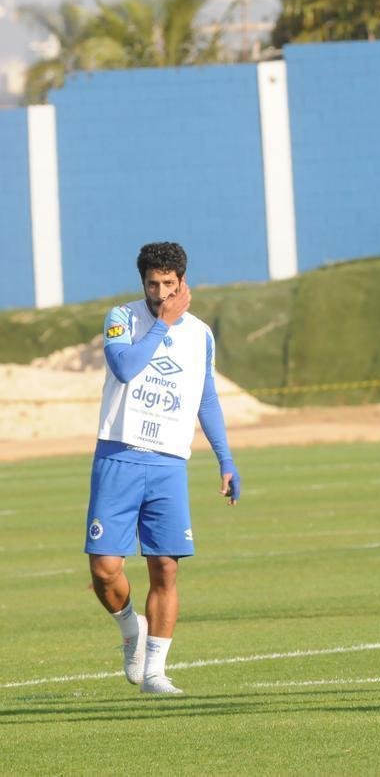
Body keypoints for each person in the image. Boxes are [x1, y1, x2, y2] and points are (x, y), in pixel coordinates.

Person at [85, 241, 241, 695]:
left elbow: (205, 397)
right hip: (119, 454)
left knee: (166, 569)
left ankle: (155, 672)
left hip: (170, 460)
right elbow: (125, 366)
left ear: (182, 282)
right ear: (143, 283)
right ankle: (131, 630)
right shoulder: (121, 318)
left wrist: (225, 458)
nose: (159, 293)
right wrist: (162, 325)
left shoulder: (201, 334)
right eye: (152, 284)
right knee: (104, 568)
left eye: (168, 285)